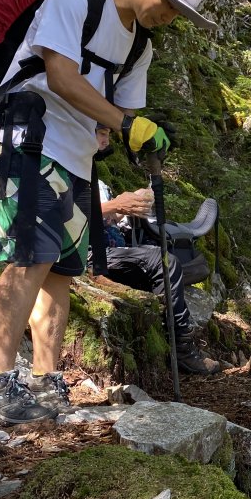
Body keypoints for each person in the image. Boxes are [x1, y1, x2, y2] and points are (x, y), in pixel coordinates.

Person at [0, 0, 217, 425]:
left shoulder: (140, 47)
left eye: (179, 13)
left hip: (77, 158)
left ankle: (45, 379)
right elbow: (59, 75)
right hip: (26, 137)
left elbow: (114, 113)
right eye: (169, 4)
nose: (169, 17)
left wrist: (126, 135)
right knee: (29, 256)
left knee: (61, 269)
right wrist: (124, 124)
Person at [94, 127, 221, 376]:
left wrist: (129, 207)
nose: (106, 139)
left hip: (110, 247)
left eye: (108, 133)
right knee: (163, 261)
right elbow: (67, 216)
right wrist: (116, 205)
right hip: (89, 253)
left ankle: (176, 334)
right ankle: (182, 346)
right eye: (100, 133)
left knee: (161, 255)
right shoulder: (67, 172)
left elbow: (104, 216)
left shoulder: (91, 177)